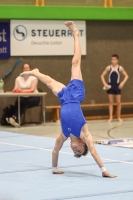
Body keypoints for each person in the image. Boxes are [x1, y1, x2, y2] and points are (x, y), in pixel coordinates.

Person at [20, 21, 116, 178]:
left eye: (74, 152)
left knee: (49, 82)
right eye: (78, 150)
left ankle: (35, 73)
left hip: (65, 99)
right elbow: (93, 151)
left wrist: (54, 169)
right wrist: (104, 170)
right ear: (82, 143)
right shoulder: (84, 133)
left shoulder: (63, 135)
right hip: (76, 95)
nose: (74, 150)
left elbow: (55, 150)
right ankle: (76, 33)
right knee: (75, 62)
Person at [6, 63, 40, 127]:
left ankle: (14, 117)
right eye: (24, 68)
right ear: (22, 69)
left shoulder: (34, 78)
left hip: (34, 97)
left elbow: (32, 90)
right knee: (18, 101)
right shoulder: (18, 78)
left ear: (30, 69)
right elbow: (15, 88)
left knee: (25, 102)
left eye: (27, 68)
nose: (26, 69)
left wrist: (21, 91)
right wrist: (15, 90)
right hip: (23, 97)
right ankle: (15, 120)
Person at [101, 55, 129, 122]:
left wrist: (122, 83)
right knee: (111, 102)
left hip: (117, 86)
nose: (113, 61)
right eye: (112, 59)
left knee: (118, 102)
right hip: (110, 86)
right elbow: (102, 75)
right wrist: (105, 83)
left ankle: (119, 117)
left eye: (114, 59)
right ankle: (110, 117)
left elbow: (126, 76)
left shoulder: (120, 68)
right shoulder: (108, 68)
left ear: (117, 60)